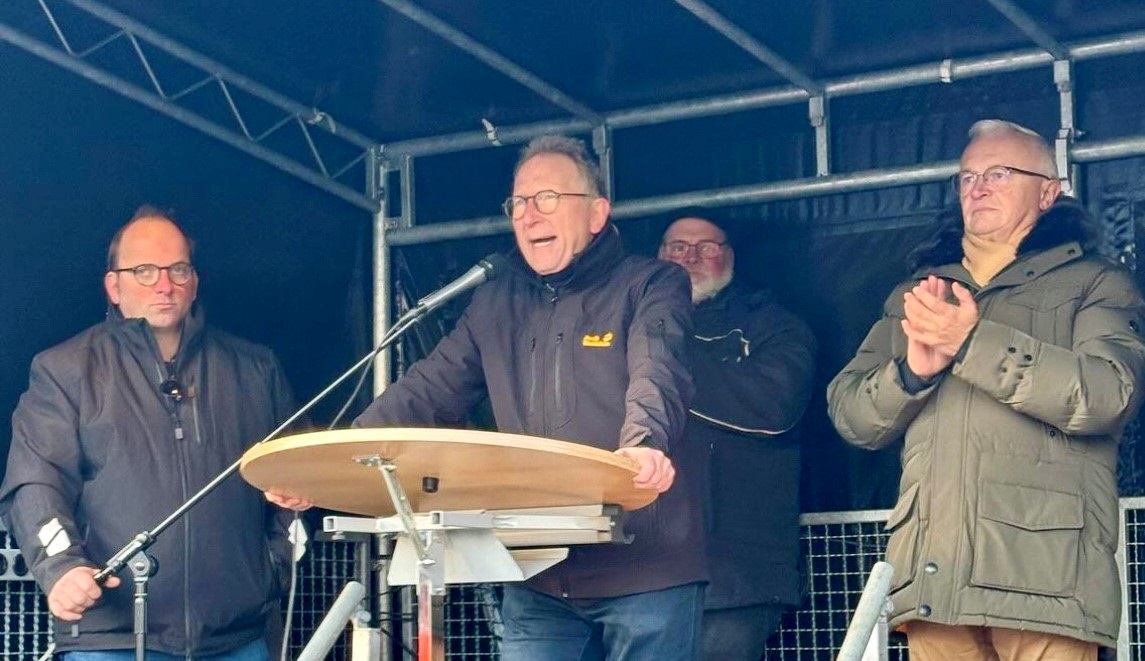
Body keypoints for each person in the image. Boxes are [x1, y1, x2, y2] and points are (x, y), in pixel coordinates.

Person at [351, 135, 705, 659]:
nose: (529, 215)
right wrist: (342, 452)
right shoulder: (496, 299)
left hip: (646, 569)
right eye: (518, 203)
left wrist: (644, 442)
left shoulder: (651, 283)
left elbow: (658, 369)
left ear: (596, 213)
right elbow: (429, 389)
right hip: (538, 573)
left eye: (547, 199)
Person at [827, 119, 1145, 659]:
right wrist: (913, 374)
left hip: (1050, 580)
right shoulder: (919, 292)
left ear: (1049, 191)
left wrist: (971, 342)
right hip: (936, 577)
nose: (977, 186)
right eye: (967, 175)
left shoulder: (1097, 281)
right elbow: (852, 415)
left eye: (999, 173)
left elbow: (1106, 395)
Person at [0, 206, 298, 660]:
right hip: (109, 639)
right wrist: (61, 568)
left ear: (194, 282)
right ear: (113, 286)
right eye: (144, 271)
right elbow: (36, 482)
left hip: (237, 639)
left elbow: (296, 480)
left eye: (179, 269)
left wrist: (272, 570)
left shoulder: (256, 370)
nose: (165, 284)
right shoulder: (64, 370)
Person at [658, 215, 816, 660]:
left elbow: (773, 406)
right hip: (637, 571)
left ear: (731, 255)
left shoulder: (775, 325)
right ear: (657, 258)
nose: (690, 257)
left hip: (734, 575)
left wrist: (661, 361)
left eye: (706, 247)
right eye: (677, 247)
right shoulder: (628, 324)